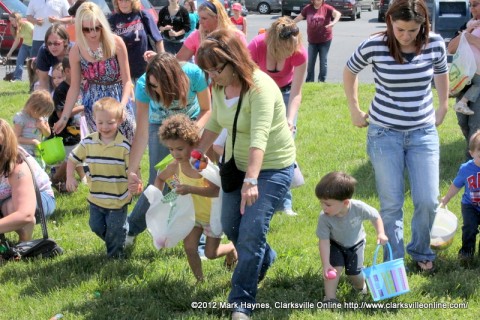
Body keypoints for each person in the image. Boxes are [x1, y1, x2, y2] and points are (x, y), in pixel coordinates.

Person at [194, 29, 296, 320]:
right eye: (208, 70)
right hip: (236, 166)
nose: (212, 76)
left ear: (235, 59)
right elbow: (215, 120)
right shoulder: (218, 86)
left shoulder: (261, 88)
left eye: (217, 68)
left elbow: (259, 137)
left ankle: (241, 303)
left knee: (251, 233)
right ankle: (265, 257)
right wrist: (197, 152)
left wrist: (252, 180)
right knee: (231, 224)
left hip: (272, 168)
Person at [343, 0, 449, 273]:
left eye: (413, 30)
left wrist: (444, 104)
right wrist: (354, 108)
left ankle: (421, 249)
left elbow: (441, 72)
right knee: (391, 202)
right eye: (400, 29)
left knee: (427, 199)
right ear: (390, 21)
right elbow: (350, 70)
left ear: (422, 25)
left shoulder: (434, 43)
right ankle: (394, 258)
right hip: (384, 133)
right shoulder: (375, 45)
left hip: (423, 132)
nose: (405, 36)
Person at [126, 52, 211, 246]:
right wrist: (132, 170)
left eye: (163, 86)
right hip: (159, 126)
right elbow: (142, 131)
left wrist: (191, 134)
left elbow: (208, 109)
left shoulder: (194, 74)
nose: (158, 91)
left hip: (192, 124)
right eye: (154, 85)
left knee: (200, 179)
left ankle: (204, 236)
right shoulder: (142, 86)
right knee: (159, 182)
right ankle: (130, 229)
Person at [155, 114, 237, 281]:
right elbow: (160, 178)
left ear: (192, 144)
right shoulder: (173, 165)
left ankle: (230, 249)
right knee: (190, 248)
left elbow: (216, 191)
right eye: (170, 149)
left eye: (179, 149)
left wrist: (189, 189)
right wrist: (158, 201)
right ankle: (200, 281)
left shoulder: (200, 163)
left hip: (211, 215)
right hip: (192, 215)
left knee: (211, 253)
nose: (175, 154)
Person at [248, 16, 307, 216]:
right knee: (260, 143)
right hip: (260, 94)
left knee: (286, 147)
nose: (293, 51)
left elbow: (297, 92)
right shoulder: (256, 46)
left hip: (287, 93)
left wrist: (290, 119)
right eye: (288, 48)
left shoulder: (299, 52)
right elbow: (247, 81)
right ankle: (257, 192)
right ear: (275, 43)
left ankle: (285, 203)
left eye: (295, 46)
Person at [53, 2, 136, 143]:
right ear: (80, 28)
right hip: (94, 107)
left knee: (127, 148)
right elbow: (74, 87)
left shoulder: (116, 43)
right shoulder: (76, 50)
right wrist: (64, 118)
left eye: (97, 28)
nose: (93, 33)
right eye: (87, 29)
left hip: (118, 100)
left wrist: (121, 107)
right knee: (102, 151)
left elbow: (127, 81)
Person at [66, 97, 131, 259]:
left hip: (118, 199)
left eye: (110, 122)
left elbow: (132, 170)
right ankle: (119, 237)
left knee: (114, 228)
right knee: (95, 226)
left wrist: (135, 184)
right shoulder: (88, 142)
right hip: (96, 197)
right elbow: (72, 159)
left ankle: (115, 258)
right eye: (100, 122)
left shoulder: (124, 146)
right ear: (94, 119)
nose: (104, 127)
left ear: (120, 120)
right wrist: (69, 177)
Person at [315, 171, 388, 302]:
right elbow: (324, 241)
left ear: (345, 202)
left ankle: (361, 287)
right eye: (321, 203)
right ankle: (330, 298)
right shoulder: (324, 218)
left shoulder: (358, 208)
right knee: (333, 270)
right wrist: (326, 264)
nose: (323, 207)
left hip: (356, 244)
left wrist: (381, 233)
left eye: (328, 204)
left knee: (355, 273)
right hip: (335, 244)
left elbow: (375, 216)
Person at [0, 119, 56, 242]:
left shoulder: (18, 165)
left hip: (39, 198)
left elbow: (25, 214)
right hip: (5, 198)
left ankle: (24, 244)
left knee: (11, 207)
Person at [440, 130, 480, 265]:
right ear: (472, 153)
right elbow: (456, 185)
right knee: (469, 228)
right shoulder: (466, 169)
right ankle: (466, 253)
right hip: (470, 206)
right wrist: (446, 198)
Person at [48, 57, 85, 192]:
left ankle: (67, 179)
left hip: (75, 130)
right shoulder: (62, 90)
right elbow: (60, 114)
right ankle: (56, 178)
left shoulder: (79, 86)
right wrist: (83, 107)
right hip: (64, 132)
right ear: (68, 71)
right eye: (80, 69)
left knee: (77, 155)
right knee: (72, 156)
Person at [448, 1, 480, 156]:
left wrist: (468, 37)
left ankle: (472, 159)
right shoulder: (467, 25)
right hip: (464, 80)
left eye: (477, 4)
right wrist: (466, 31)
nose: (473, 8)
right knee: (462, 121)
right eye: (471, 5)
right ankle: (473, 151)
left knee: (476, 123)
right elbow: (451, 48)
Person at [109, 0, 164, 81]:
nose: (124, 3)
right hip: (123, 72)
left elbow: (158, 40)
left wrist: (163, 62)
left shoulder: (143, 15)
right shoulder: (112, 20)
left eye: (127, 1)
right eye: (120, 0)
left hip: (144, 70)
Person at [175, 0, 247, 62]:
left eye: (204, 18)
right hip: (203, 78)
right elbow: (178, 62)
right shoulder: (196, 35)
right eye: (199, 17)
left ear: (216, 18)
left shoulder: (236, 36)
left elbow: (246, 64)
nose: (200, 22)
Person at [293, 0, 341, 82]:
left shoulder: (327, 8)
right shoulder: (308, 8)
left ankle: (321, 81)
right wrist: (290, 23)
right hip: (312, 40)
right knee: (311, 62)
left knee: (323, 61)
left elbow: (338, 14)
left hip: (325, 40)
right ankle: (309, 81)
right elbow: (299, 17)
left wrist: (333, 23)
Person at [12, 90, 55, 167]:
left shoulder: (42, 118)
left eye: (44, 114)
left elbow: (48, 134)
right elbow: (16, 138)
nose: (42, 115)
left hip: (37, 150)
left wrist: (43, 127)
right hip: (23, 151)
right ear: (33, 108)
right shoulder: (21, 118)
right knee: (28, 169)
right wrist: (33, 141)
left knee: (39, 169)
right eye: (40, 113)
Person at [35, 24, 73, 92]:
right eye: (49, 43)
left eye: (56, 43)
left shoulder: (74, 51)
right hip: (55, 81)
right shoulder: (44, 51)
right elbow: (43, 80)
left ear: (65, 42)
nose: (52, 47)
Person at [5, 13, 34, 82]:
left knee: (34, 64)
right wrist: (10, 52)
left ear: (17, 19)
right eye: (10, 20)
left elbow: (35, 37)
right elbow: (17, 41)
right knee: (19, 61)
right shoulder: (16, 28)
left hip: (33, 46)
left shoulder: (28, 25)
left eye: (12, 20)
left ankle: (35, 79)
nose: (11, 22)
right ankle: (17, 78)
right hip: (25, 45)